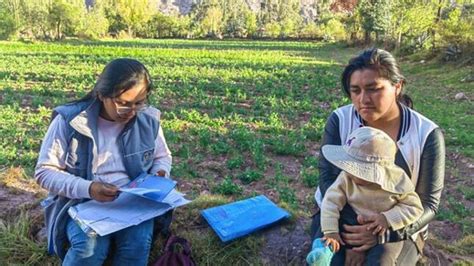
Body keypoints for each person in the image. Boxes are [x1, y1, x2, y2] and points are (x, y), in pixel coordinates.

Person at [310, 48, 445, 265]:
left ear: (397, 86)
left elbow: (428, 204)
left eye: (373, 89)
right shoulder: (340, 120)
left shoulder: (426, 134)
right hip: (338, 218)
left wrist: (382, 234)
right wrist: (352, 238)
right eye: (355, 90)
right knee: (330, 261)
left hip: (399, 226)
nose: (363, 99)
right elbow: (328, 182)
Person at [35, 58, 172, 265]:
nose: (132, 111)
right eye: (123, 103)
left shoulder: (148, 120)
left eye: (139, 102)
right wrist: (89, 188)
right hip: (81, 202)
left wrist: (160, 173)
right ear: (101, 94)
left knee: (137, 244)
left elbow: (162, 157)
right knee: (90, 249)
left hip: (133, 203)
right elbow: (45, 171)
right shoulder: (70, 121)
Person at [307, 126, 423, 265]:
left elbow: (414, 207)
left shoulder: (396, 182)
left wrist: (388, 218)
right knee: (331, 254)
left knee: (382, 260)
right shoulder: (346, 178)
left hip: (383, 234)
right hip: (348, 224)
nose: (349, 172)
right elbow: (331, 202)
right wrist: (331, 232)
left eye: (356, 169)